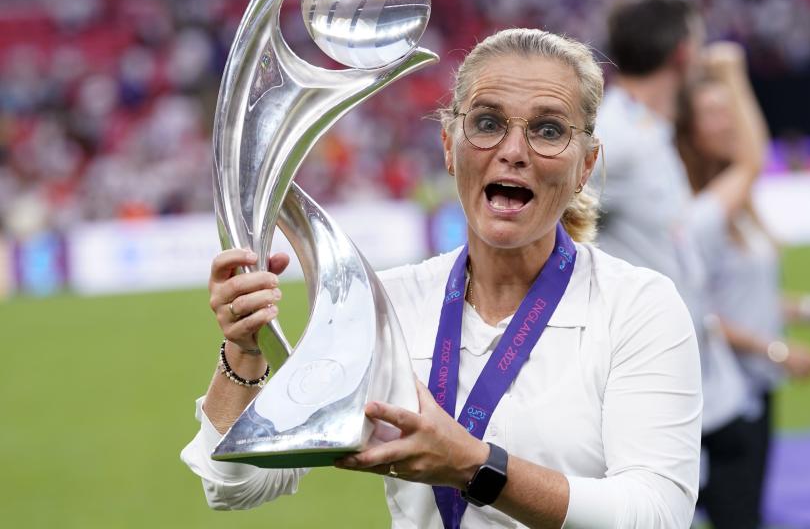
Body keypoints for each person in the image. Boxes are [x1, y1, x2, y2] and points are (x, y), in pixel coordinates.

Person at [181, 29, 703, 528]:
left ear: (585, 165)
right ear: (449, 146)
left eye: (548, 130)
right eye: (487, 122)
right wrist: (243, 350)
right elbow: (234, 487)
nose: (514, 150)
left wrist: (473, 466)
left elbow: (657, 514)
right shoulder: (388, 304)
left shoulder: (638, 307)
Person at [595, 0, 767, 529]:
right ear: (683, 54)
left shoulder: (649, 132)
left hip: (700, 382)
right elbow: (554, 229)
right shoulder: (612, 138)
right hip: (648, 387)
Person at [676, 68, 810, 527]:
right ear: (687, 128)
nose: (727, 123)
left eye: (730, 111)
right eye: (712, 113)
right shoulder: (695, 214)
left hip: (757, 386)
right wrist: (776, 349)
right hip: (720, 394)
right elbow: (695, 310)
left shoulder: (736, 208)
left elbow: (746, 297)